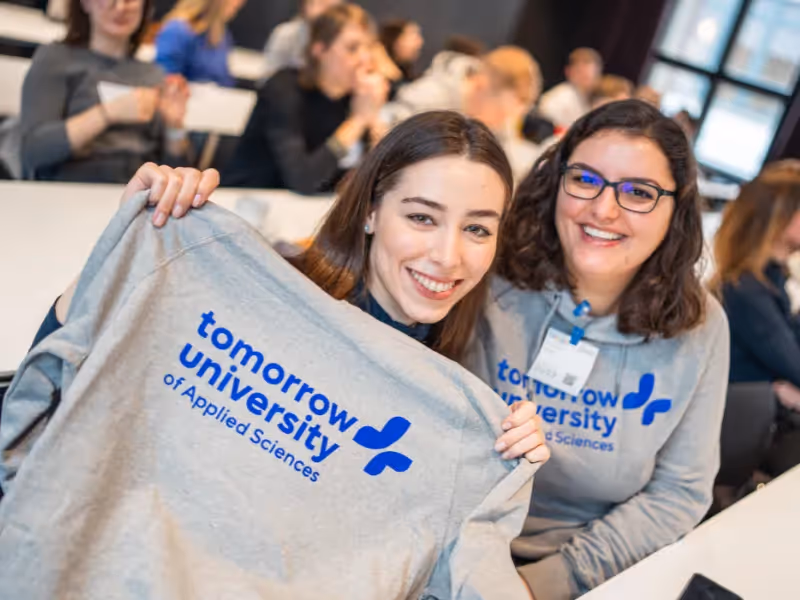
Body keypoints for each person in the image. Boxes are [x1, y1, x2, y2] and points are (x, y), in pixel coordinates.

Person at [35, 111, 549, 473]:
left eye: (478, 229)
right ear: (370, 211)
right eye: (421, 217)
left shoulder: (457, 370)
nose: (448, 255)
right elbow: (61, 390)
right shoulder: (263, 301)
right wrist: (123, 256)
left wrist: (504, 445)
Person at [466, 100, 729, 599]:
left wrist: (542, 585)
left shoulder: (701, 326)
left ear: (677, 210)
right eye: (585, 179)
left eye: (639, 192)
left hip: (592, 572)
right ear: (556, 181)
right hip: (446, 540)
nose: (603, 209)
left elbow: (678, 493)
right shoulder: (489, 272)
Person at [19, 0, 190, 183]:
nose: (120, 8)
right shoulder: (55, 59)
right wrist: (107, 114)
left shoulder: (153, 74)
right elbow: (33, 152)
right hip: (71, 192)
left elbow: (175, 168)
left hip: (140, 194)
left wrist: (174, 127)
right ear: (85, 4)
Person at [223, 3, 388, 193]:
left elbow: (376, 179)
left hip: (299, 211)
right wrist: (358, 121)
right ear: (320, 51)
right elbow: (303, 179)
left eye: (369, 48)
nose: (365, 60)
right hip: (245, 200)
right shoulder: (283, 88)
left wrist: (374, 118)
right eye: (352, 49)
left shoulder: (354, 98)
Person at [712, 160, 800, 476]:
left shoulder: (768, 280)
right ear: (781, 217)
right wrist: (777, 389)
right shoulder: (747, 291)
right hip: (743, 428)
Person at [463, 46, 546, 183]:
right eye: (502, 114)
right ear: (482, 84)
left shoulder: (496, 125)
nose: (506, 120)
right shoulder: (429, 106)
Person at [155, 0, 247, 87]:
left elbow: (224, 78)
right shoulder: (178, 30)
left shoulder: (220, 33)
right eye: (233, 6)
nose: (239, 3)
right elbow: (167, 79)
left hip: (217, 98)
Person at [260, 0, 341, 83]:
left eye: (329, 7)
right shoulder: (286, 35)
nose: (322, 11)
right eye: (319, 4)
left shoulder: (342, 40)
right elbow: (268, 80)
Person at [538, 47, 602, 130]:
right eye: (581, 73)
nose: (586, 80)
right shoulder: (558, 97)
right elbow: (544, 121)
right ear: (568, 71)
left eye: (590, 76)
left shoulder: (593, 100)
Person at [379, 18, 424, 86]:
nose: (420, 42)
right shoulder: (383, 78)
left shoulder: (405, 73)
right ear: (395, 41)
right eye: (413, 38)